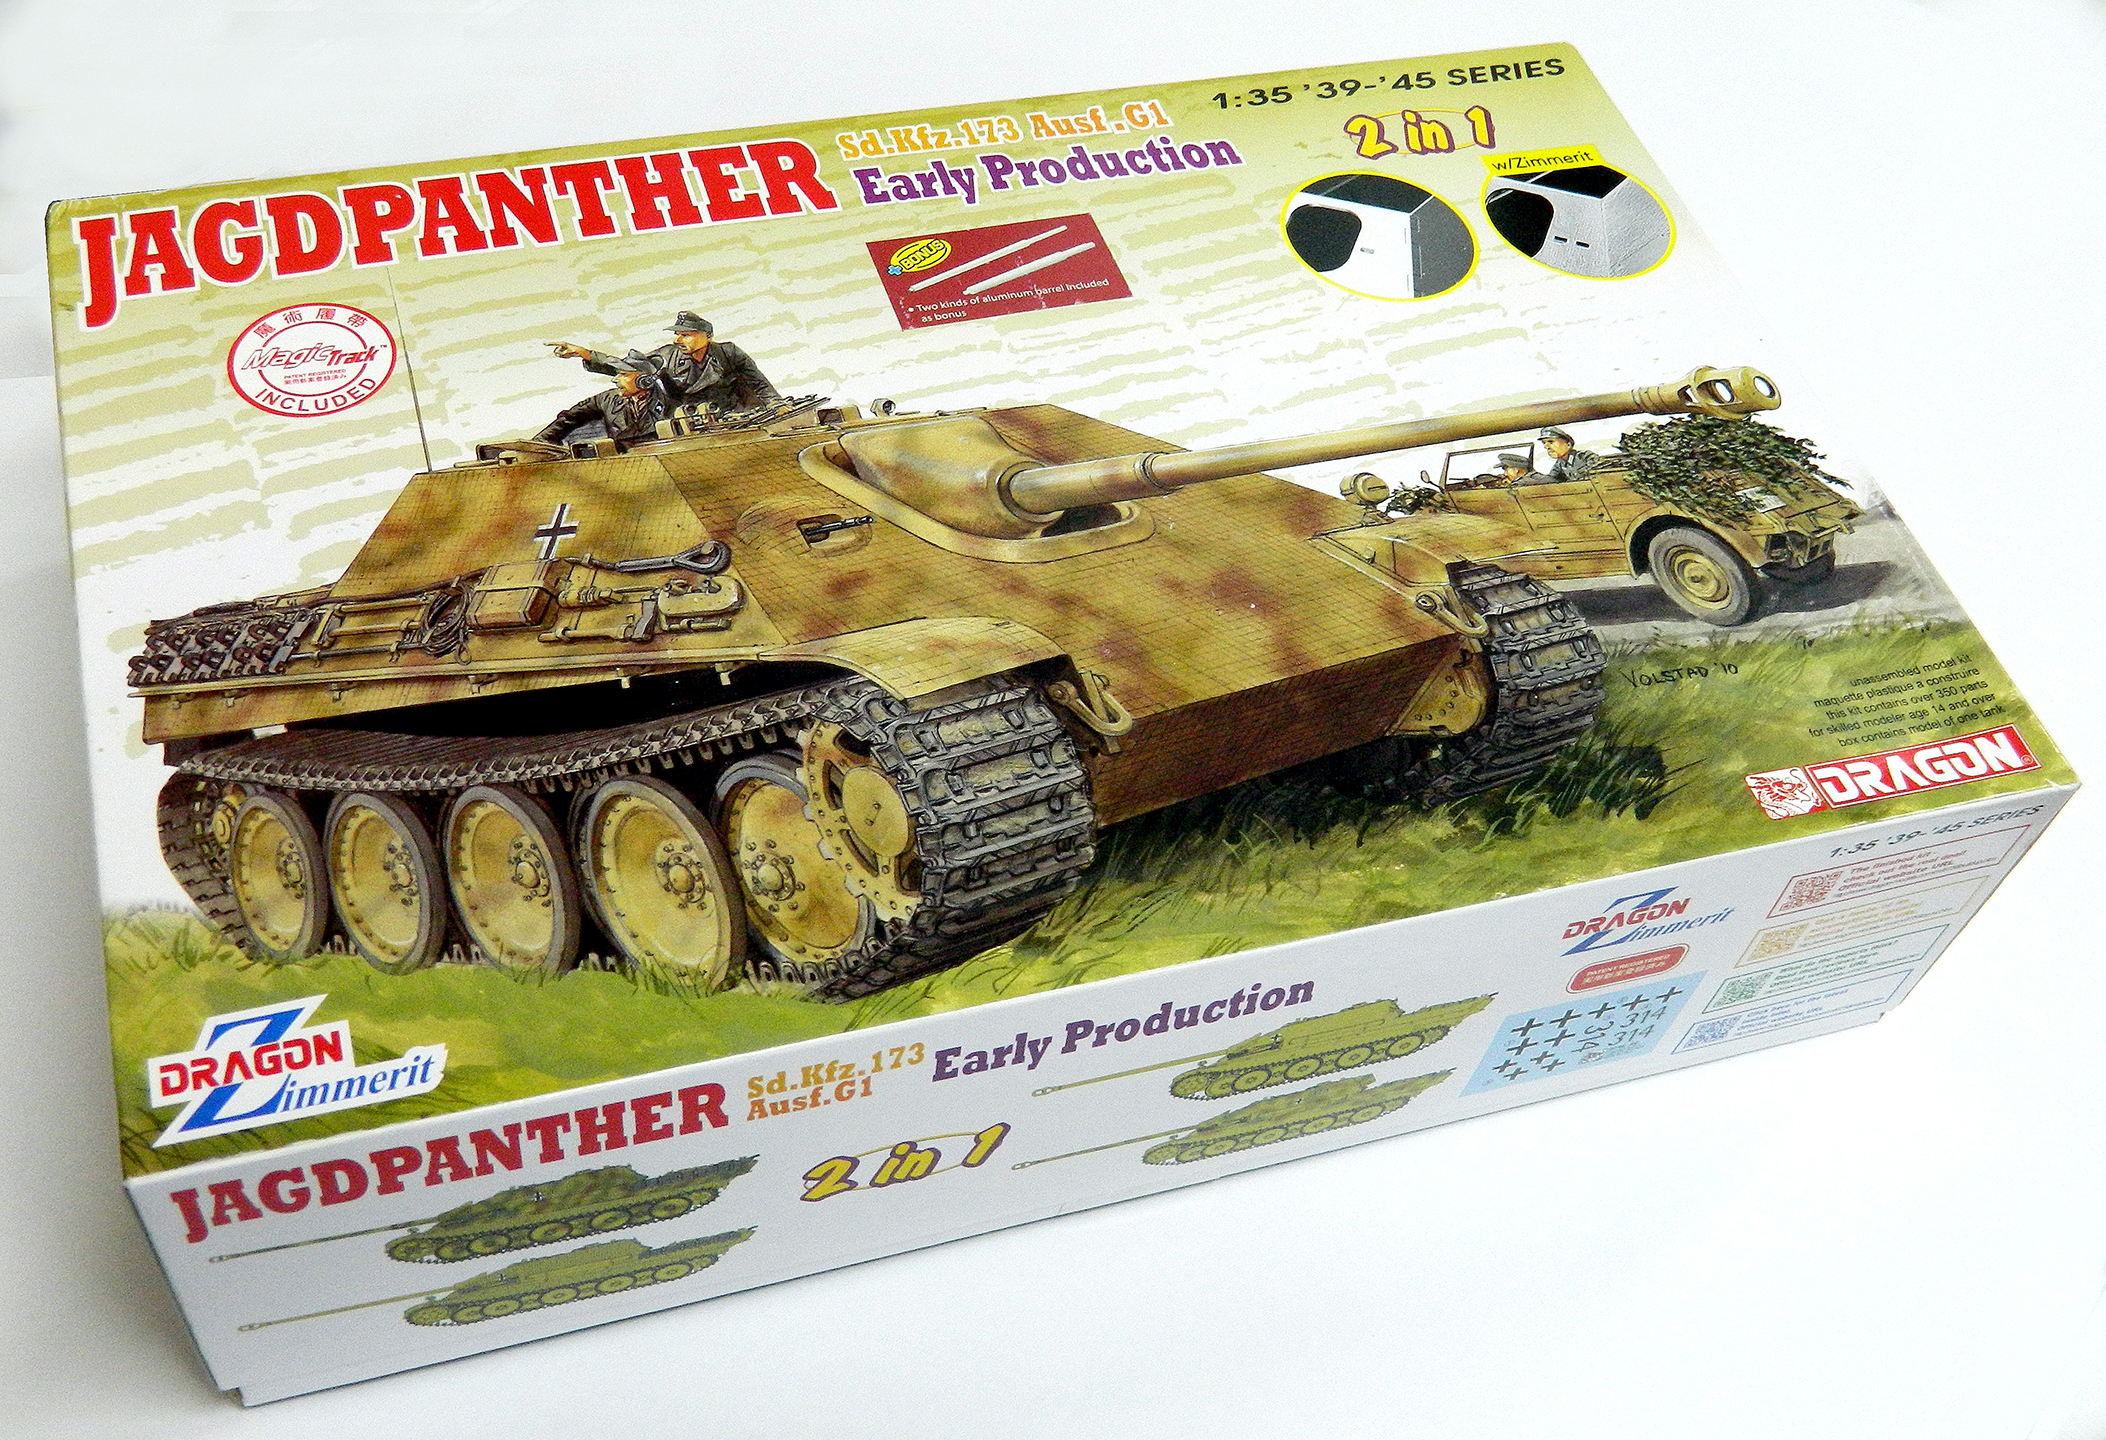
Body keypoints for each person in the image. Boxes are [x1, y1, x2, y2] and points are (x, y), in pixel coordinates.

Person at [550, 311, 780, 412]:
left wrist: (777, 405)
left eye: (686, 335)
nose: (678, 339)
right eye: (677, 334)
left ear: (706, 336)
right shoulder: (667, 356)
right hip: (691, 421)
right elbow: (630, 369)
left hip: (736, 416)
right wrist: (586, 354)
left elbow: (759, 384)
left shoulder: (729, 353)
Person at [533, 354, 670, 446]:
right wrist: (540, 443)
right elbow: (569, 417)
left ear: (644, 381)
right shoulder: (607, 399)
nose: (615, 380)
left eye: (624, 375)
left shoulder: (667, 398)